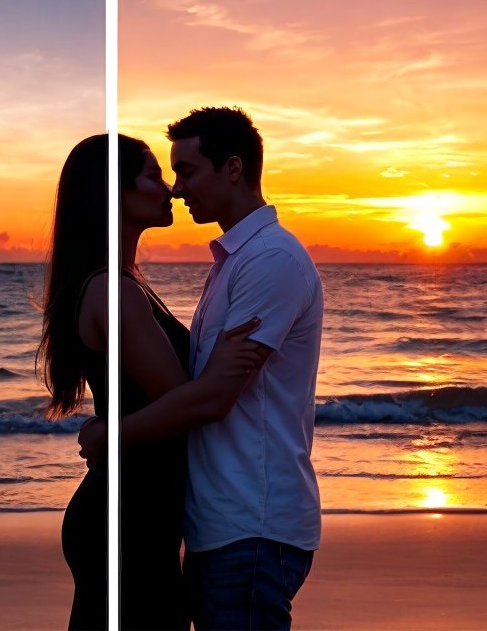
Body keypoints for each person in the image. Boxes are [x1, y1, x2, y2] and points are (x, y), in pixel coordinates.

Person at [81, 108, 324, 631]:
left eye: (186, 171)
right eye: (169, 174)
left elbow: (213, 398)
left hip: (251, 525)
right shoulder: (233, 262)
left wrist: (110, 437)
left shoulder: (270, 260)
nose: (176, 188)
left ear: (233, 168)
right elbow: (206, 385)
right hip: (223, 525)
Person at [37, 133, 265, 631]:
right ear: (114, 192)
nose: (171, 190)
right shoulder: (112, 290)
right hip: (128, 520)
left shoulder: (123, 282)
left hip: (139, 514)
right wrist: (226, 361)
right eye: (153, 175)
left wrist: (109, 433)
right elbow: (181, 400)